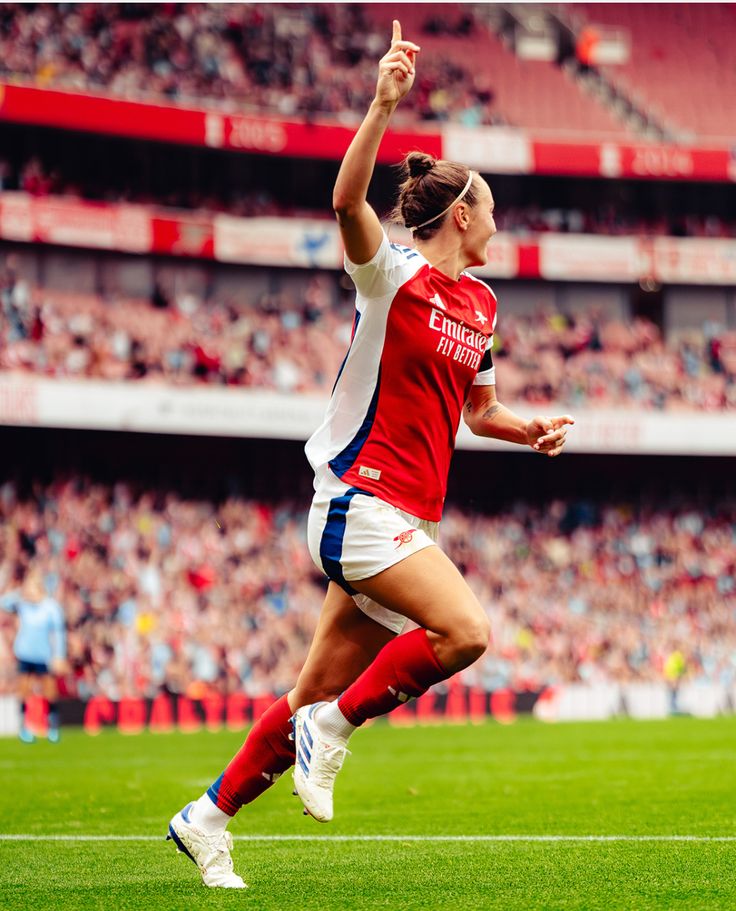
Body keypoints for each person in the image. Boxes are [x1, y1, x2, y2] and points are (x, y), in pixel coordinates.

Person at [167, 20, 574, 889]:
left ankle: (207, 816)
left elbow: (480, 409)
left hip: (404, 516)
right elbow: (346, 201)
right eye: (493, 208)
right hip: (358, 503)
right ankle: (338, 732)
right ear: (463, 214)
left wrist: (527, 427)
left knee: (304, 696)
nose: (500, 222)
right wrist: (383, 102)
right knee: (465, 632)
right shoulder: (389, 273)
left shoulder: (483, 305)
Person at [0, 569, 67, 743]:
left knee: (49, 690)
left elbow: (58, 633)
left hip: (44, 654)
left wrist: (59, 655)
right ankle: (24, 728)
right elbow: (4, 602)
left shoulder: (50, 606)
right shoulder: (22, 604)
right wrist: (19, 593)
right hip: (25, 652)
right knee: (24, 690)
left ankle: (52, 727)